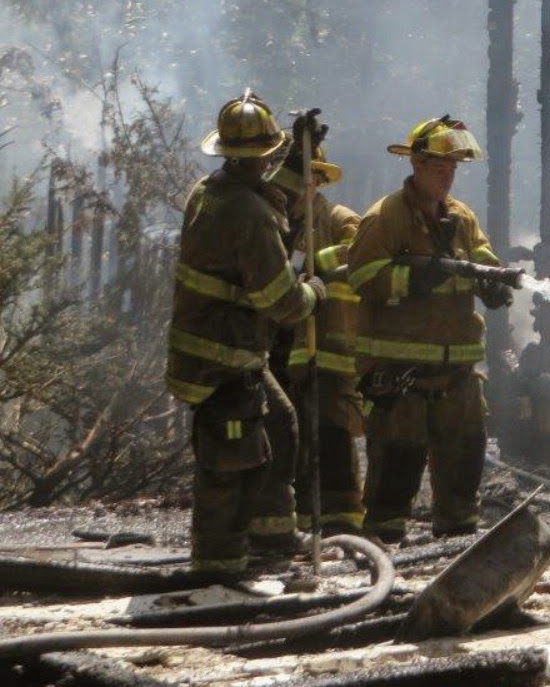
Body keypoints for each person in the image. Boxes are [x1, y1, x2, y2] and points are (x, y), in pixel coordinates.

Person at [166, 91, 324, 576]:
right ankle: (218, 562)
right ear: (262, 154)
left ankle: (273, 536)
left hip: (225, 351)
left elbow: (273, 197)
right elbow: (282, 302)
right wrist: (317, 290)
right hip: (223, 358)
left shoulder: (212, 190)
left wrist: (299, 159)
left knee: (279, 425)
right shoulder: (248, 215)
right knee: (229, 459)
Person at [346, 115, 513, 543]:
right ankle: (379, 556)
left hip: (457, 371)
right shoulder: (386, 218)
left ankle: (455, 550)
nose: (448, 176)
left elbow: (481, 258)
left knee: (465, 459)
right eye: (440, 167)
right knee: (396, 466)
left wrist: (494, 281)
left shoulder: (461, 217)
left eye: (453, 168)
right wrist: (413, 279)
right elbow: (362, 276)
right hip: (400, 371)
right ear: (417, 166)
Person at [251, 113, 366, 544]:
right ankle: (298, 521)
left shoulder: (337, 219)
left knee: (331, 435)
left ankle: (342, 524)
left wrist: (320, 264)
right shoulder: (275, 220)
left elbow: (362, 256)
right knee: (288, 436)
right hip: (282, 349)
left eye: (310, 179)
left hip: (328, 350)